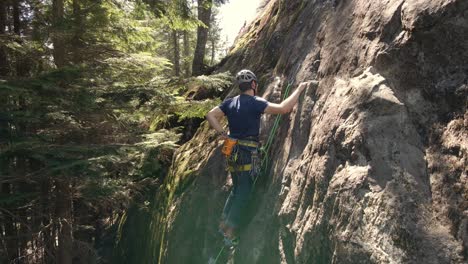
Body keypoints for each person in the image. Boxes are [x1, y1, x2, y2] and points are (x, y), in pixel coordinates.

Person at [206, 69, 316, 246]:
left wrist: (223, 133)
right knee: (244, 191)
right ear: (254, 85)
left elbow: (210, 115)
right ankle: (230, 232)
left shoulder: (229, 103)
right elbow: (283, 108)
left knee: (236, 189)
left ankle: (223, 224)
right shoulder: (255, 102)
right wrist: (300, 89)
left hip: (232, 151)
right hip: (247, 153)